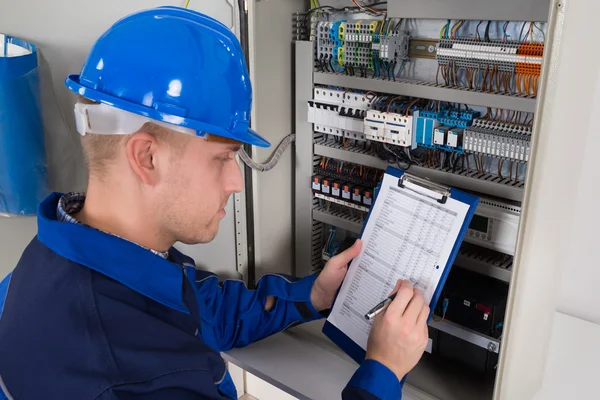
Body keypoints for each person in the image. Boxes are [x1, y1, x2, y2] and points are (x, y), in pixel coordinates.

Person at [0, 7, 429, 400]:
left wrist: (312, 295)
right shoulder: (136, 377)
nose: (235, 183)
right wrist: (383, 370)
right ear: (147, 157)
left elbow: (202, 310)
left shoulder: (52, 264)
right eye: (223, 158)